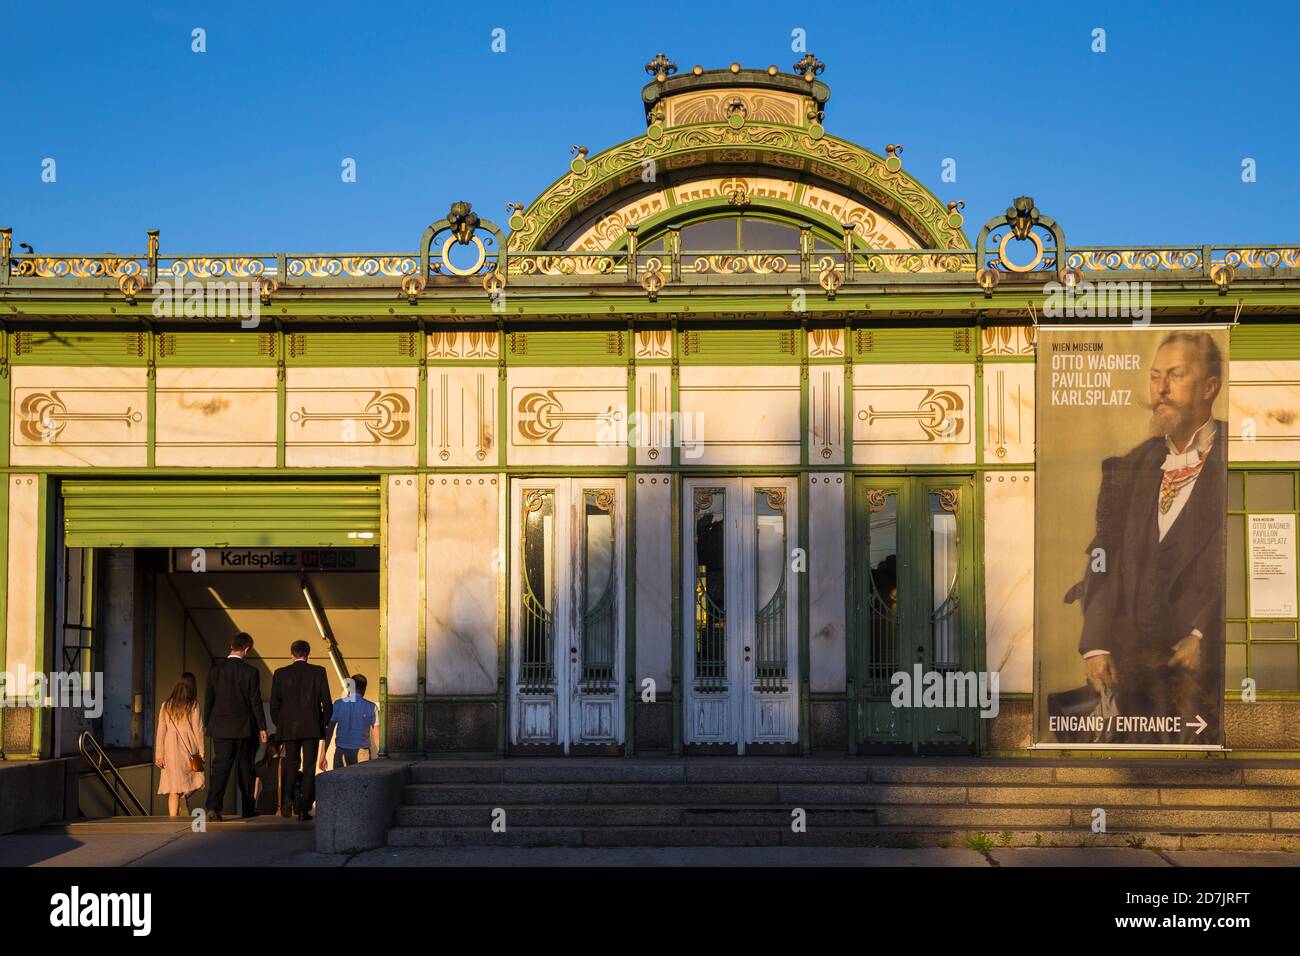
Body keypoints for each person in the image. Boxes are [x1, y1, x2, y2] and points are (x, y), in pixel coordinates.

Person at [1071, 331, 1226, 744]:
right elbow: (1105, 554)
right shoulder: (1134, 466)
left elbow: (1244, 559)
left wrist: (1202, 635)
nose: (1160, 389)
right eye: (1156, 376)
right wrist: (1097, 643)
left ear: (1210, 387)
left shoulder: (1237, 458)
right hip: (1135, 673)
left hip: (1201, 676)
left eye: (1175, 376)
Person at [203, 632, 267, 821]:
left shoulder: (215, 670)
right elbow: (255, 702)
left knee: (220, 768)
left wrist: (208, 723)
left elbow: (209, 699)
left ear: (232, 646)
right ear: (247, 649)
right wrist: (262, 727)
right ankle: (248, 808)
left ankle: (213, 807)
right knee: (245, 769)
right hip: (244, 728)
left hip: (220, 728)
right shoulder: (250, 672)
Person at [270, 640, 332, 821]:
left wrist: (280, 724)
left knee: (291, 763)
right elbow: (327, 703)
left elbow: (275, 704)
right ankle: (304, 807)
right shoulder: (319, 672)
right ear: (308, 654)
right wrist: (321, 723)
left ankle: (287, 801)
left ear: (291, 654)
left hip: (288, 728)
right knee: (309, 766)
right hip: (311, 726)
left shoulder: (280, 674)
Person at [155, 672, 206, 816]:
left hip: (170, 750)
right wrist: (202, 753)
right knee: (199, 780)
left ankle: (173, 820)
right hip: (188, 749)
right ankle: (186, 796)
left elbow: (161, 731)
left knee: (173, 789)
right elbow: (199, 730)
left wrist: (159, 755)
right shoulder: (193, 705)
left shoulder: (166, 705)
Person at [319, 674, 379, 771]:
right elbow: (377, 734)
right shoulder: (371, 707)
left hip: (341, 751)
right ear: (364, 688)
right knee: (362, 784)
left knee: (340, 783)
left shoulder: (338, 705)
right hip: (362, 753)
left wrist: (322, 755)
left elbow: (329, 731)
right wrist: (382, 756)